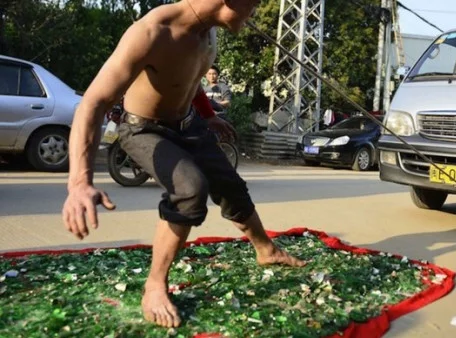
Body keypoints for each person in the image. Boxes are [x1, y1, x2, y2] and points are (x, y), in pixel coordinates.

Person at [61, 0, 306, 329]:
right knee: (190, 188)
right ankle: (154, 286)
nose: (255, 13)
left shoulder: (208, 31)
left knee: (229, 183)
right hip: (143, 128)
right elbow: (94, 102)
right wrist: (79, 182)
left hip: (189, 124)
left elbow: (188, 75)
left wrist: (208, 115)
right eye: (254, 4)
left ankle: (267, 250)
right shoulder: (151, 32)